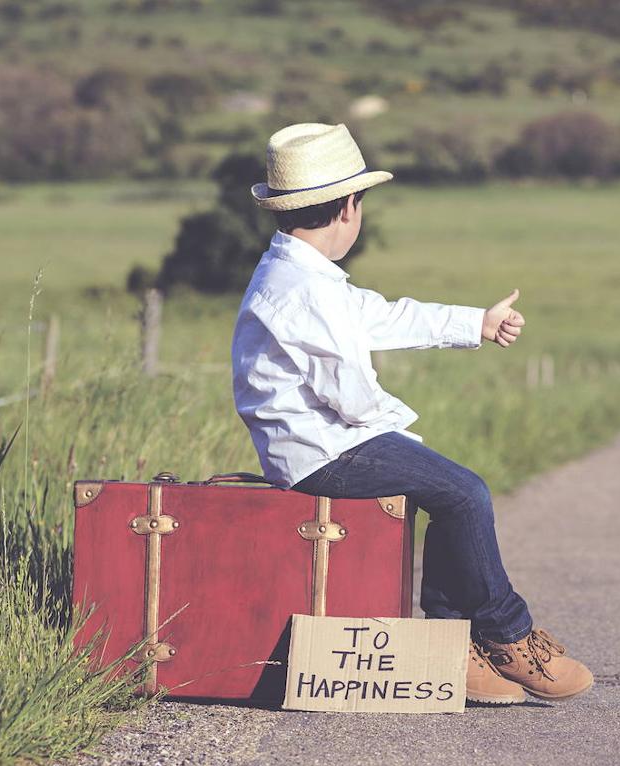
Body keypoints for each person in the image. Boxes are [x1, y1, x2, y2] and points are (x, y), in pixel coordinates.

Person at [230, 123, 592, 704]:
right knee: (464, 491)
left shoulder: (302, 275)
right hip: (321, 453)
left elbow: (382, 316)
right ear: (350, 207)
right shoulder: (304, 291)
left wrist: (474, 322)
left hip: (324, 442)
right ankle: (509, 636)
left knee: (449, 489)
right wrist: (403, 434)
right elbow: (350, 396)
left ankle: (453, 650)